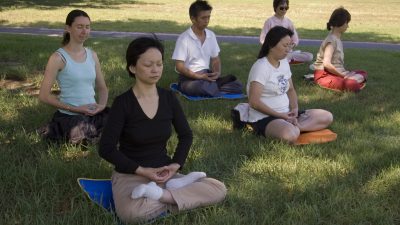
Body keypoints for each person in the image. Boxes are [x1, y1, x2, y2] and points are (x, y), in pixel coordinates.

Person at [98, 37, 227, 223]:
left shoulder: (168, 98)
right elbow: (106, 148)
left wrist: (175, 166)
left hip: (164, 174)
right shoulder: (123, 103)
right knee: (131, 215)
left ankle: (162, 196)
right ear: (132, 68)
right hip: (131, 175)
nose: (155, 69)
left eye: (159, 64)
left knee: (218, 188)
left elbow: (186, 135)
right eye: (148, 64)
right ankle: (175, 195)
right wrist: (142, 171)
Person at [247, 26, 333, 144]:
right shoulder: (261, 67)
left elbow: (291, 90)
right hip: (265, 117)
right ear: (271, 45)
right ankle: (294, 127)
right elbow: (254, 102)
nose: (288, 49)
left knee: (327, 116)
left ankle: (297, 127)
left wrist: (295, 109)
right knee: (288, 135)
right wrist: (281, 115)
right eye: (284, 45)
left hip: (287, 115)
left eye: (290, 45)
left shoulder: (283, 63)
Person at [38, 9, 108, 144]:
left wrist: (102, 106)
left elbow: (102, 88)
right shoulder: (58, 58)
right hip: (70, 115)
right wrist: (77, 109)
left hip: (92, 112)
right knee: (82, 133)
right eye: (79, 27)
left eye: (87, 27)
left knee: (120, 122)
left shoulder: (92, 55)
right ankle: (55, 129)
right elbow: (44, 96)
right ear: (68, 28)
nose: (84, 31)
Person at [172, 0, 243, 97]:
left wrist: (217, 73)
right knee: (197, 87)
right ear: (193, 19)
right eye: (203, 18)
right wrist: (199, 76)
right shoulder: (184, 38)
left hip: (206, 75)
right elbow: (179, 67)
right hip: (189, 79)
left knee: (238, 85)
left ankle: (213, 85)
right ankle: (215, 86)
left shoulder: (211, 35)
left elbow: (215, 59)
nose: (207, 21)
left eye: (208, 17)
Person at [312, 7, 367, 92]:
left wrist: (345, 74)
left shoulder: (337, 38)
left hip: (336, 73)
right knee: (352, 84)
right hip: (325, 75)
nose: (348, 26)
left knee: (362, 73)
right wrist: (342, 75)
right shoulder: (331, 40)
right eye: (346, 23)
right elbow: (326, 64)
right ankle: (351, 81)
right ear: (339, 22)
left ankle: (350, 79)